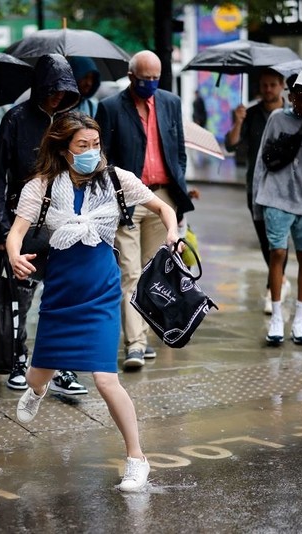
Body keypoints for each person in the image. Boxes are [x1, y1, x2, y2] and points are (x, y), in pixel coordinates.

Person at [7, 112, 179, 491]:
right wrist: (15, 256)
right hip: (60, 292)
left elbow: (164, 208)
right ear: (63, 148)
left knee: (105, 378)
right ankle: (38, 390)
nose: (90, 152)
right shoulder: (42, 187)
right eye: (81, 146)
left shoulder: (117, 181)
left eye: (95, 144)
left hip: (101, 291)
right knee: (38, 375)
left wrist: (172, 232)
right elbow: (16, 232)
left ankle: (137, 458)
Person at [0, 54, 85, 394]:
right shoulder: (15, 120)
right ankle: (18, 360)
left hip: (61, 221)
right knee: (21, 297)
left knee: (62, 296)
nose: (58, 96)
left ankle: (61, 365)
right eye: (54, 89)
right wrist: (2, 230)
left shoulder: (69, 122)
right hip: (24, 221)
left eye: (65, 91)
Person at [96, 50, 194, 370]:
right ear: (130, 76)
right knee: (130, 273)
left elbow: (178, 150)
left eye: (156, 78)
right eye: (144, 79)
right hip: (127, 198)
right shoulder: (110, 108)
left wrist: (176, 194)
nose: (151, 84)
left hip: (162, 199)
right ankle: (135, 345)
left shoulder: (170, 103)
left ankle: (144, 335)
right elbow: (103, 156)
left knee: (154, 274)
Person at [253, 74, 302, 346]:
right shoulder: (277, 119)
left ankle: (300, 318)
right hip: (275, 197)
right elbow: (262, 161)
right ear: (290, 96)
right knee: (277, 253)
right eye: (297, 94)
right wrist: (257, 201)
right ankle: (277, 315)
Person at [225, 68, 291, 315]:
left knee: (279, 241)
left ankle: (273, 287)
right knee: (266, 240)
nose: (268, 90)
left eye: (272, 85)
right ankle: (280, 281)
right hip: (257, 186)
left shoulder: (291, 114)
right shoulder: (250, 114)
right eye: (264, 85)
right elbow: (230, 145)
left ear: (282, 85)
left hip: (285, 187)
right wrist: (238, 121)